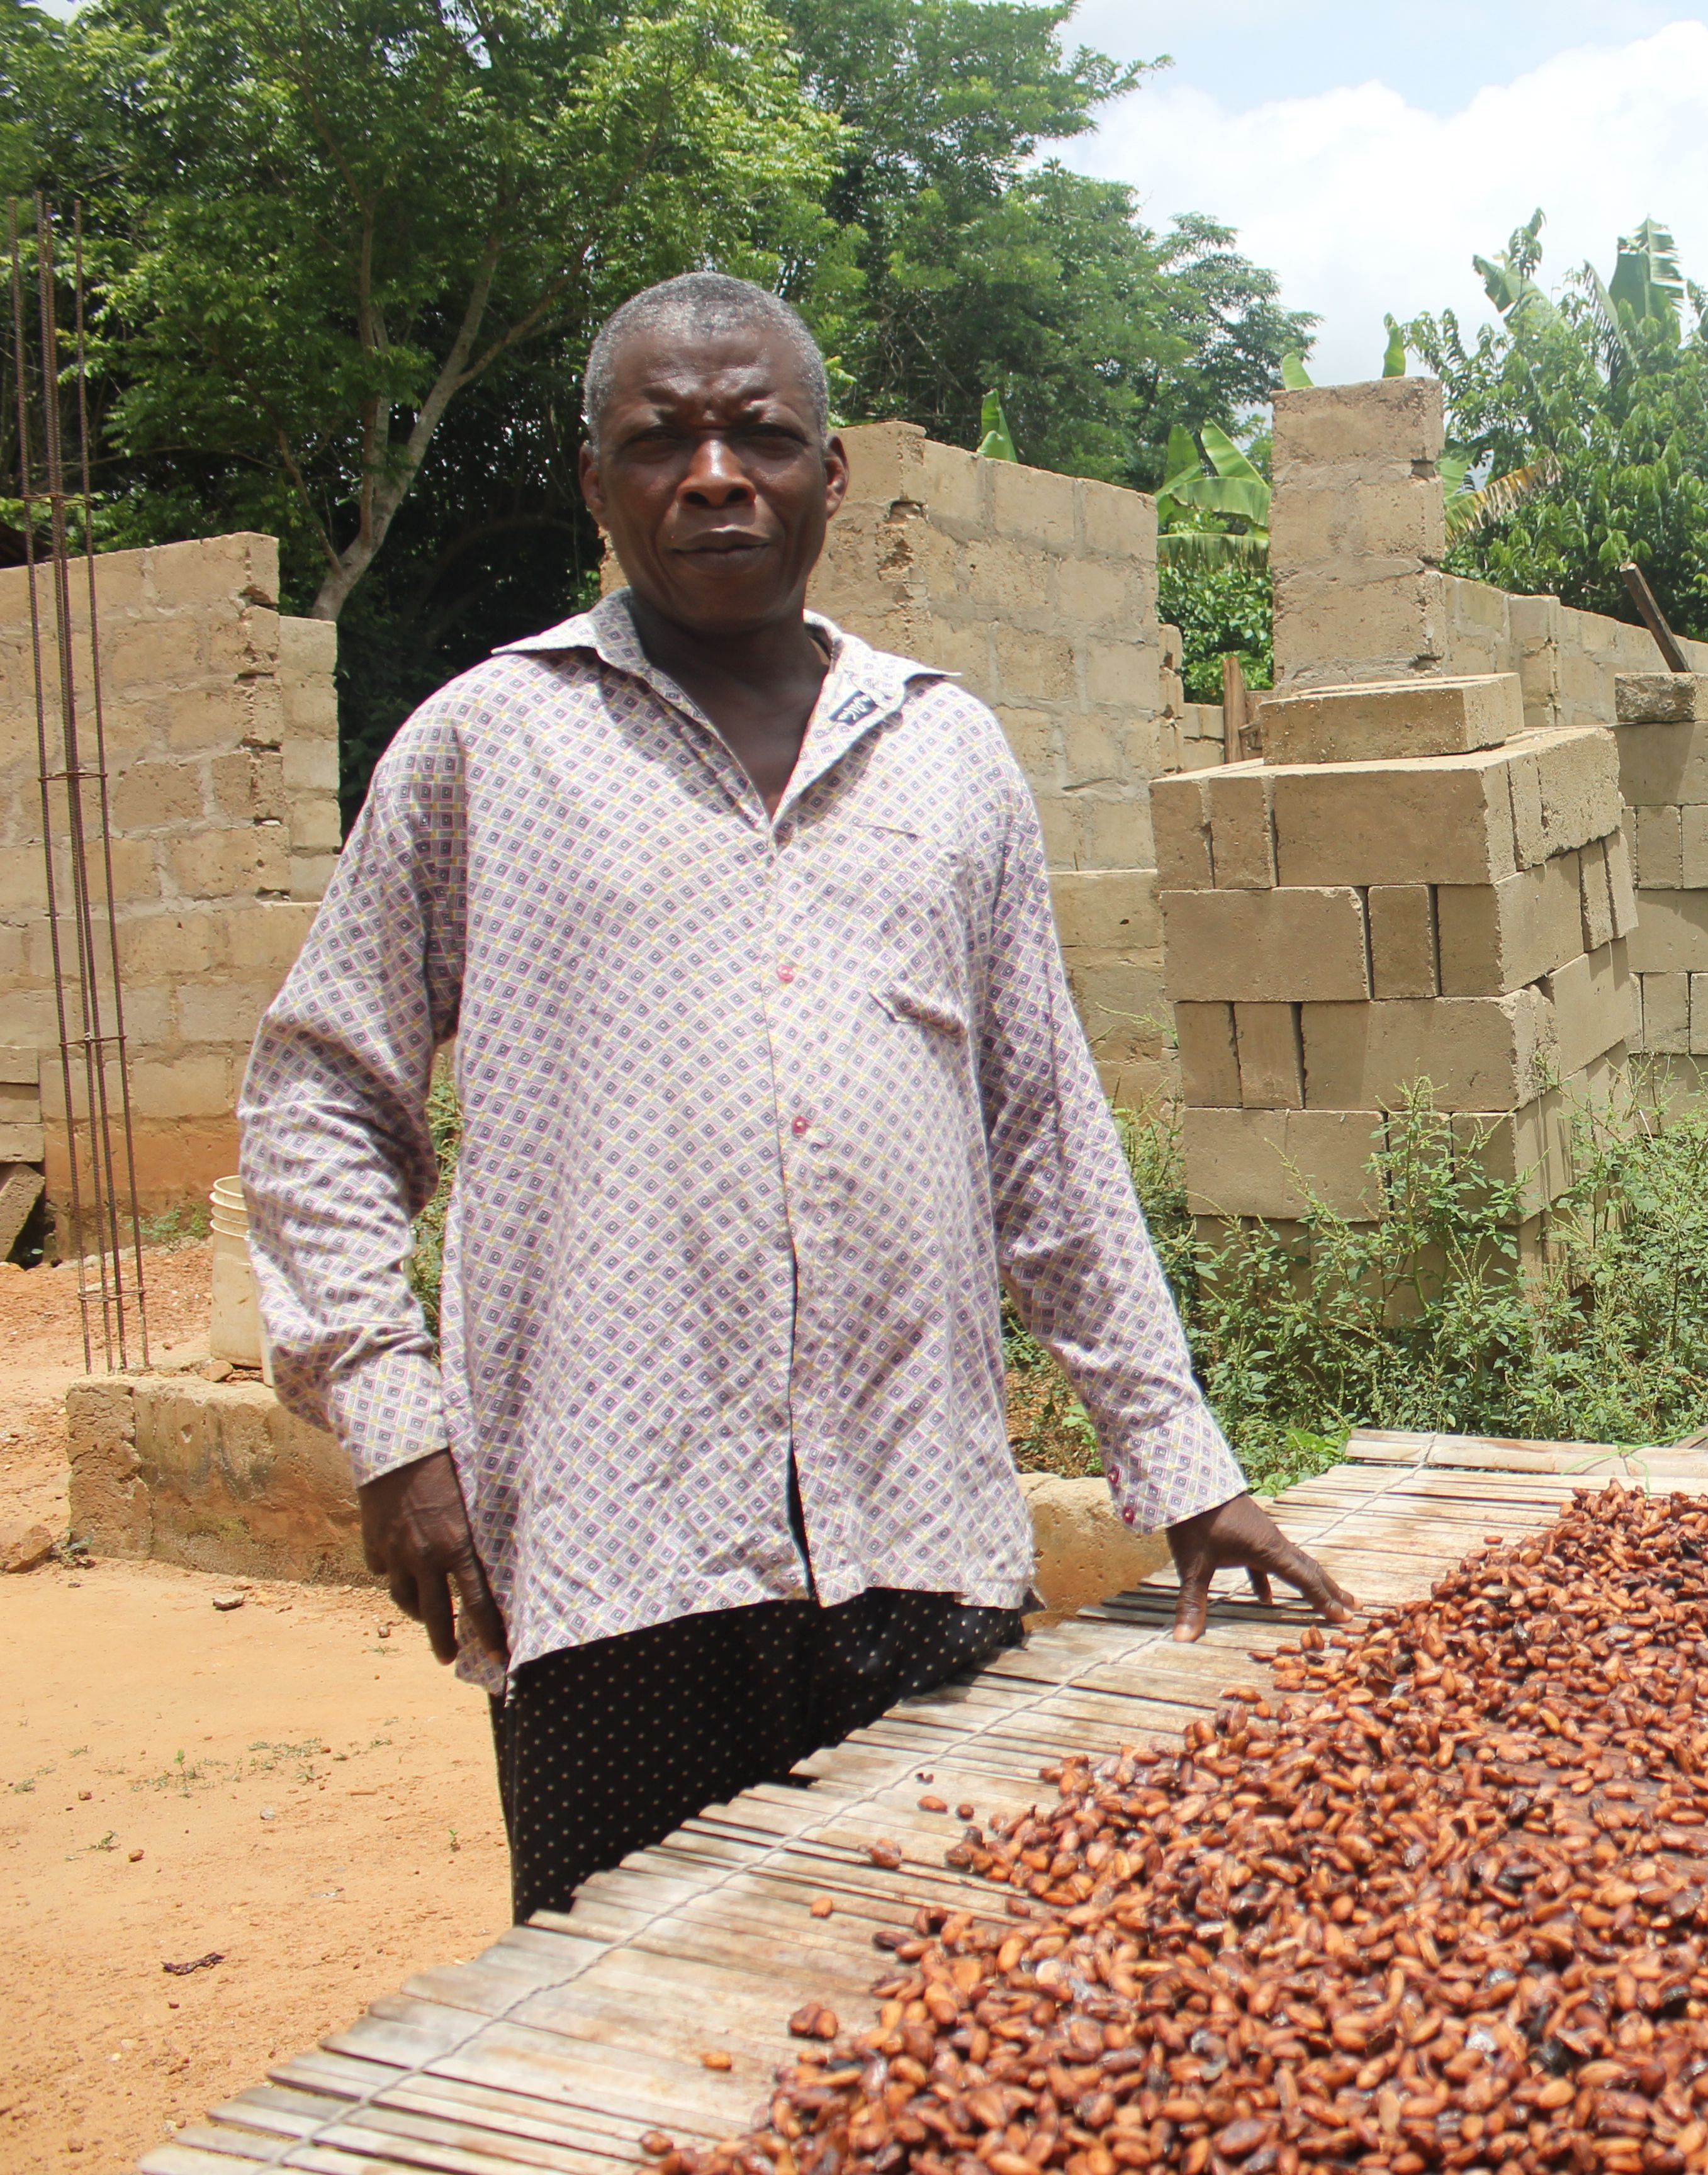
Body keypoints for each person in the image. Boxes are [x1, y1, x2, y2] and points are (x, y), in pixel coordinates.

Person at [238, 271, 1353, 1925]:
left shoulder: (948, 754)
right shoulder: (487, 749)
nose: (713, 475)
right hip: (617, 1562)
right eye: (661, 440)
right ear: (595, 481)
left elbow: (1042, 1130)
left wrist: (1175, 1455)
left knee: (930, 2011)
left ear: (830, 477)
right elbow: (320, 1093)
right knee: (626, 2021)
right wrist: (398, 1427)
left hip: (920, 1541)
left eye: (759, 435)